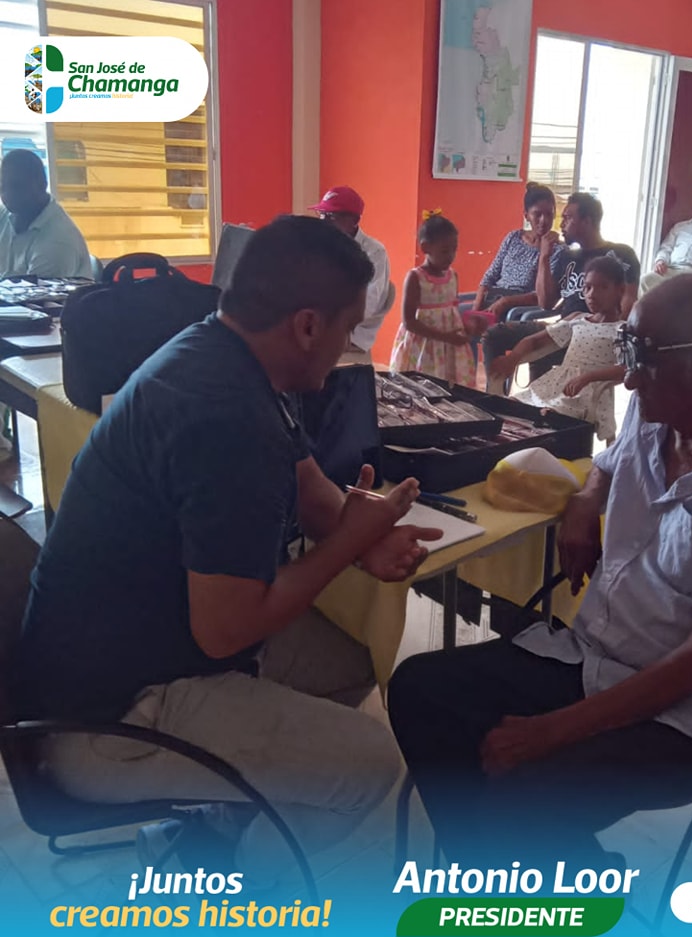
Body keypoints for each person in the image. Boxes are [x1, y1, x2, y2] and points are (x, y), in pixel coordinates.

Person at [10, 216, 444, 874]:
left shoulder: (223, 350)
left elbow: (307, 482)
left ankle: (213, 829)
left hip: (115, 661)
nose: (352, 346)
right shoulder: (227, 421)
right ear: (306, 326)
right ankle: (236, 885)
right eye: (349, 328)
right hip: (105, 719)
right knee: (372, 767)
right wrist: (347, 543)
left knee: (345, 660)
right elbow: (226, 631)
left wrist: (361, 533)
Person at [388, 273, 692, 870]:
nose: (628, 377)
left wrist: (549, 732)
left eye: (644, 357)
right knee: (420, 690)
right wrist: (585, 501)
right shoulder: (657, 410)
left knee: (523, 790)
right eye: (628, 350)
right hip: (600, 656)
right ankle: (533, 875)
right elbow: (608, 464)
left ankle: (544, 877)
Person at [482, 192, 639, 394]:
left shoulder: (620, 254)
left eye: (568, 218)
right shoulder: (567, 256)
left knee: (542, 354)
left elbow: (627, 302)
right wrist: (544, 257)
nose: (561, 224)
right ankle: (494, 397)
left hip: (595, 336)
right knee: (494, 335)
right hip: (564, 328)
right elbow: (546, 302)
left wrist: (599, 328)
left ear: (587, 221)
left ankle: (537, 401)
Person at [489, 256, 626, 442]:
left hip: (587, 392)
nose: (592, 294)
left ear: (620, 290)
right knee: (513, 405)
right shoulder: (577, 319)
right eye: (587, 287)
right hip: (556, 385)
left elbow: (626, 369)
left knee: (550, 415)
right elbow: (534, 342)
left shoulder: (622, 330)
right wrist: (512, 359)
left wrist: (588, 377)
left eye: (602, 287)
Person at [390, 213, 475, 387]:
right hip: (423, 348)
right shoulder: (415, 278)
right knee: (422, 386)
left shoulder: (453, 276)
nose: (450, 255)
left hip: (449, 348)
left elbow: (452, 312)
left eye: (454, 249)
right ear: (425, 248)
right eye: (444, 251)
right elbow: (409, 321)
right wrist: (444, 337)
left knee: (451, 387)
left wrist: (467, 328)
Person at [309, 185, 390, 363]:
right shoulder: (321, 246)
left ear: (354, 220)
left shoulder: (373, 252)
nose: (324, 222)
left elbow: (369, 303)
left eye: (331, 216)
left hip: (353, 332)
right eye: (321, 214)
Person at [472, 182, 567, 320]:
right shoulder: (514, 238)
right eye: (537, 214)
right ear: (526, 215)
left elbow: (542, 296)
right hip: (494, 299)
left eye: (549, 214)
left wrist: (505, 302)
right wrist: (476, 309)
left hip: (518, 310)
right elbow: (490, 276)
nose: (543, 220)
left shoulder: (558, 250)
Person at [0, 149, 92, 280]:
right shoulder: (8, 213)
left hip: (41, 293)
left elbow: (35, 293)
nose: (7, 194)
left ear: (42, 185)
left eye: (17, 186)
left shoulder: (58, 242)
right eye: (2, 187)